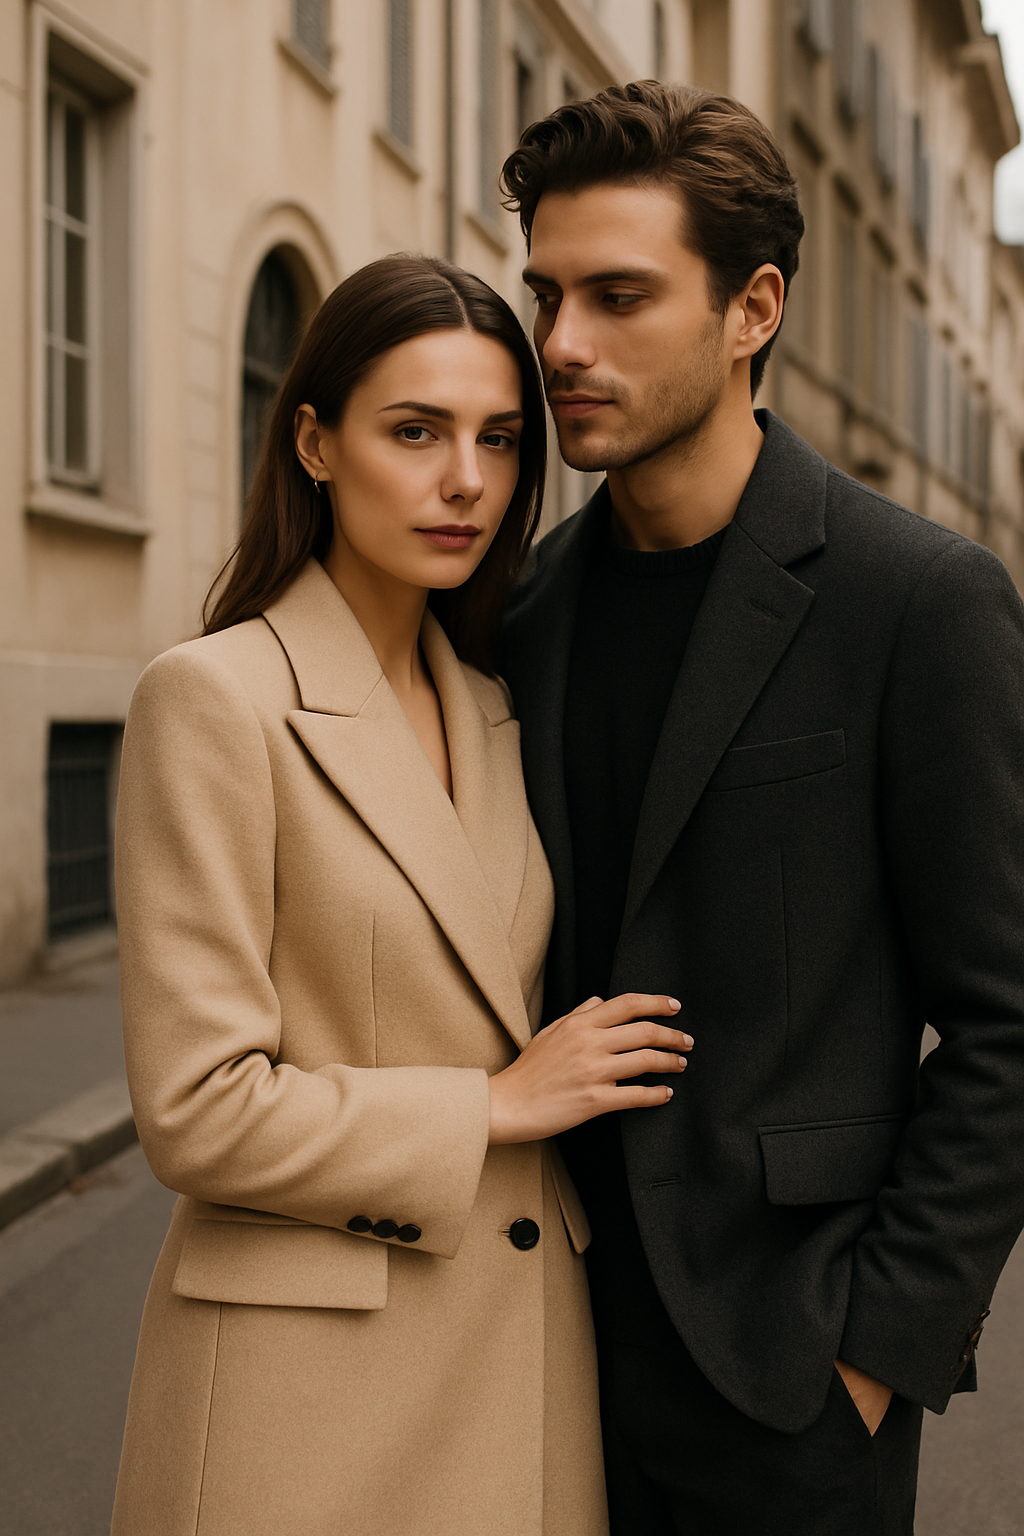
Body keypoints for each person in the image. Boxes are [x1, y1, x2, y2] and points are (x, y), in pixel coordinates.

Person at [498, 82, 1024, 1536]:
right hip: (526, 1364)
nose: (561, 346)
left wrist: (875, 1348)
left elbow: (1007, 1020)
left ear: (753, 309)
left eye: (618, 295)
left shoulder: (915, 601)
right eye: (545, 295)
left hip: (789, 1381)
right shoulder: (520, 613)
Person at [109, 252, 694, 1536]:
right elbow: (195, 1111)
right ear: (314, 441)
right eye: (415, 431)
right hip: (304, 1399)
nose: (466, 482)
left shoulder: (497, 699)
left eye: (497, 438)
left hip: (517, 1362)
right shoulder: (215, 699)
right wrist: (492, 1103)